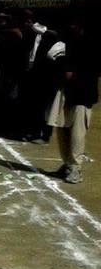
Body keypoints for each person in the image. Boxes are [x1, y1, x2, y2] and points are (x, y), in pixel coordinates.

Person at [47, 15, 98, 184]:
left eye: (74, 23)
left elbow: (90, 69)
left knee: (77, 132)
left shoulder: (91, 44)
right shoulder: (68, 42)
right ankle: (67, 163)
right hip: (66, 91)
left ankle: (76, 168)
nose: (71, 26)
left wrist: (71, 70)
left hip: (82, 94)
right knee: (61, 128)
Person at [20, 10, 56, 143]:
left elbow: (53, 35)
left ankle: (45, 135)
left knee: (45, 106)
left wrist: (41, 31)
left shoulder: (51, 34)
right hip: (33, 72)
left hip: (46, 75)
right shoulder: (32, 35)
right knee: (33, 104)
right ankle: (33, 132)